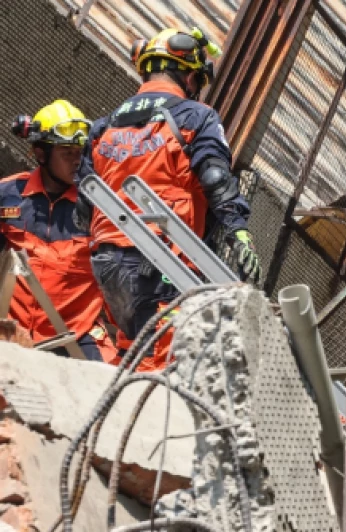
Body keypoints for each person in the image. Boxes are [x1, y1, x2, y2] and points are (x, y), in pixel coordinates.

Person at [75, 27, 257, 371]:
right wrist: (239, 232)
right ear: (189, 75)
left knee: (135, 351)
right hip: (164, 261)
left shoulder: (102, 127)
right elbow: (216, 178)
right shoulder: (196, 116)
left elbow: (83, 207)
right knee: (167, 364)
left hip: (108, 262)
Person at [1, 100, 118, 363]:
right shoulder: (8, 195)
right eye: (67, 153)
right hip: (12, 331)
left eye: (80, 152)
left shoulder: (98, 206)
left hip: (75, 335)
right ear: (41, 154)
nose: (77, 161)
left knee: (111, 389)